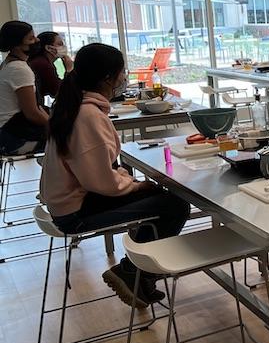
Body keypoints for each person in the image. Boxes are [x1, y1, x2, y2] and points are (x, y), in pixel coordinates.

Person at [39, 43, 191, 309]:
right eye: (122, 72)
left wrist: (133, 185)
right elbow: (101, 181)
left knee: (155, 195)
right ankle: (132, 271)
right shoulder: (88, 115)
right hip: (75, 212)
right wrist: (134, 186)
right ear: (108, 77)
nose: (124, 78)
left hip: (67, 202)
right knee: (173, 205)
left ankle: (138, 276)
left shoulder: (74, 105)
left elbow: (98, 172)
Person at [0, 21, 49, 155]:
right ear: (17, 44)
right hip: (13, 137)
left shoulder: (7, 64)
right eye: (31, 38)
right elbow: (32, 113)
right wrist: (56, 128)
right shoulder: (19, 69)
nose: (37, 40)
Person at [28, 31, 73, 105]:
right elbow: (58, 91)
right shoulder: (42, 64)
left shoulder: (44, 62)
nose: (64, 47)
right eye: (60, 44)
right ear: (49, 48)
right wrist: (69, 70)